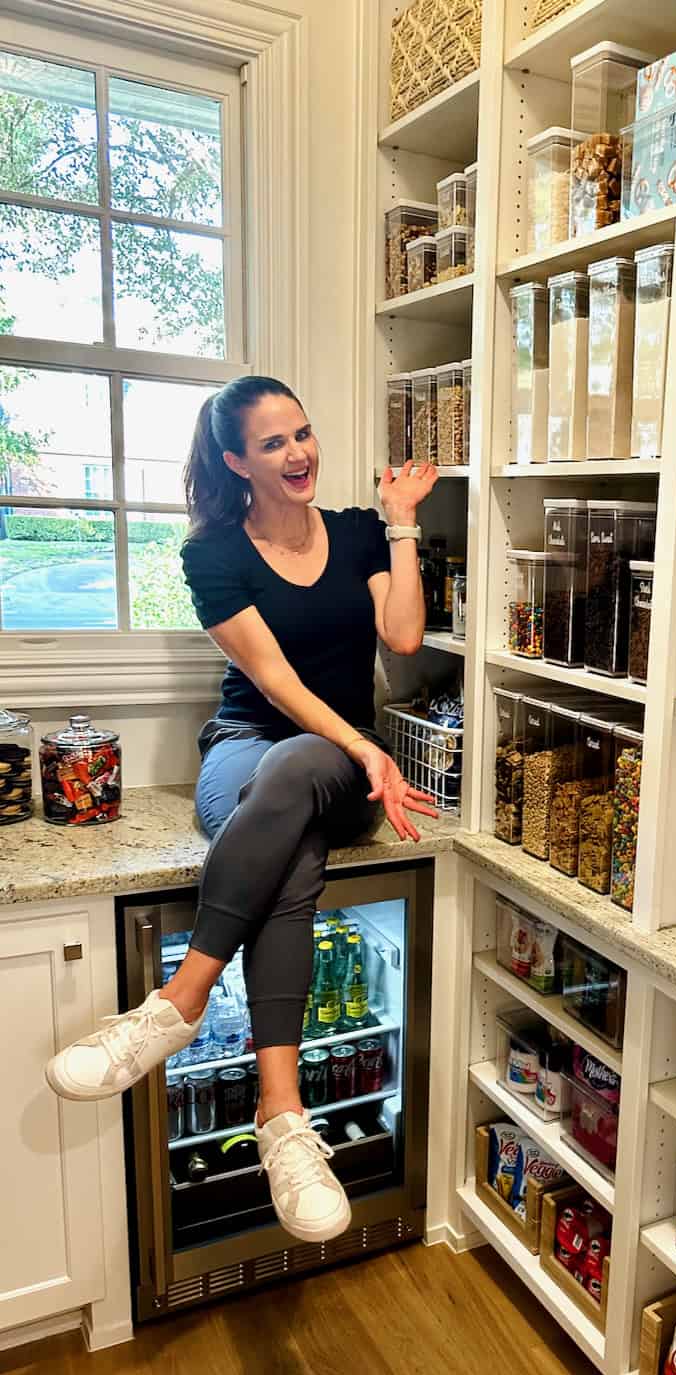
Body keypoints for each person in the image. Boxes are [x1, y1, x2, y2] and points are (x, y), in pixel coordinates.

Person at [46, 375, 439, 1243]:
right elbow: (275, 684)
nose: (298, 453)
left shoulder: (359, 533)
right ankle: (282, 1118)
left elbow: (404, 636)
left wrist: (402, 521)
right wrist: (367, 744)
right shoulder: (213, 554)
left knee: (302, 767)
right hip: (246, 748)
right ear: (237, 460)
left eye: (302, 433)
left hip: (337, 770)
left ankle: (176, 1005)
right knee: (289, 844)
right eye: (273, 444)